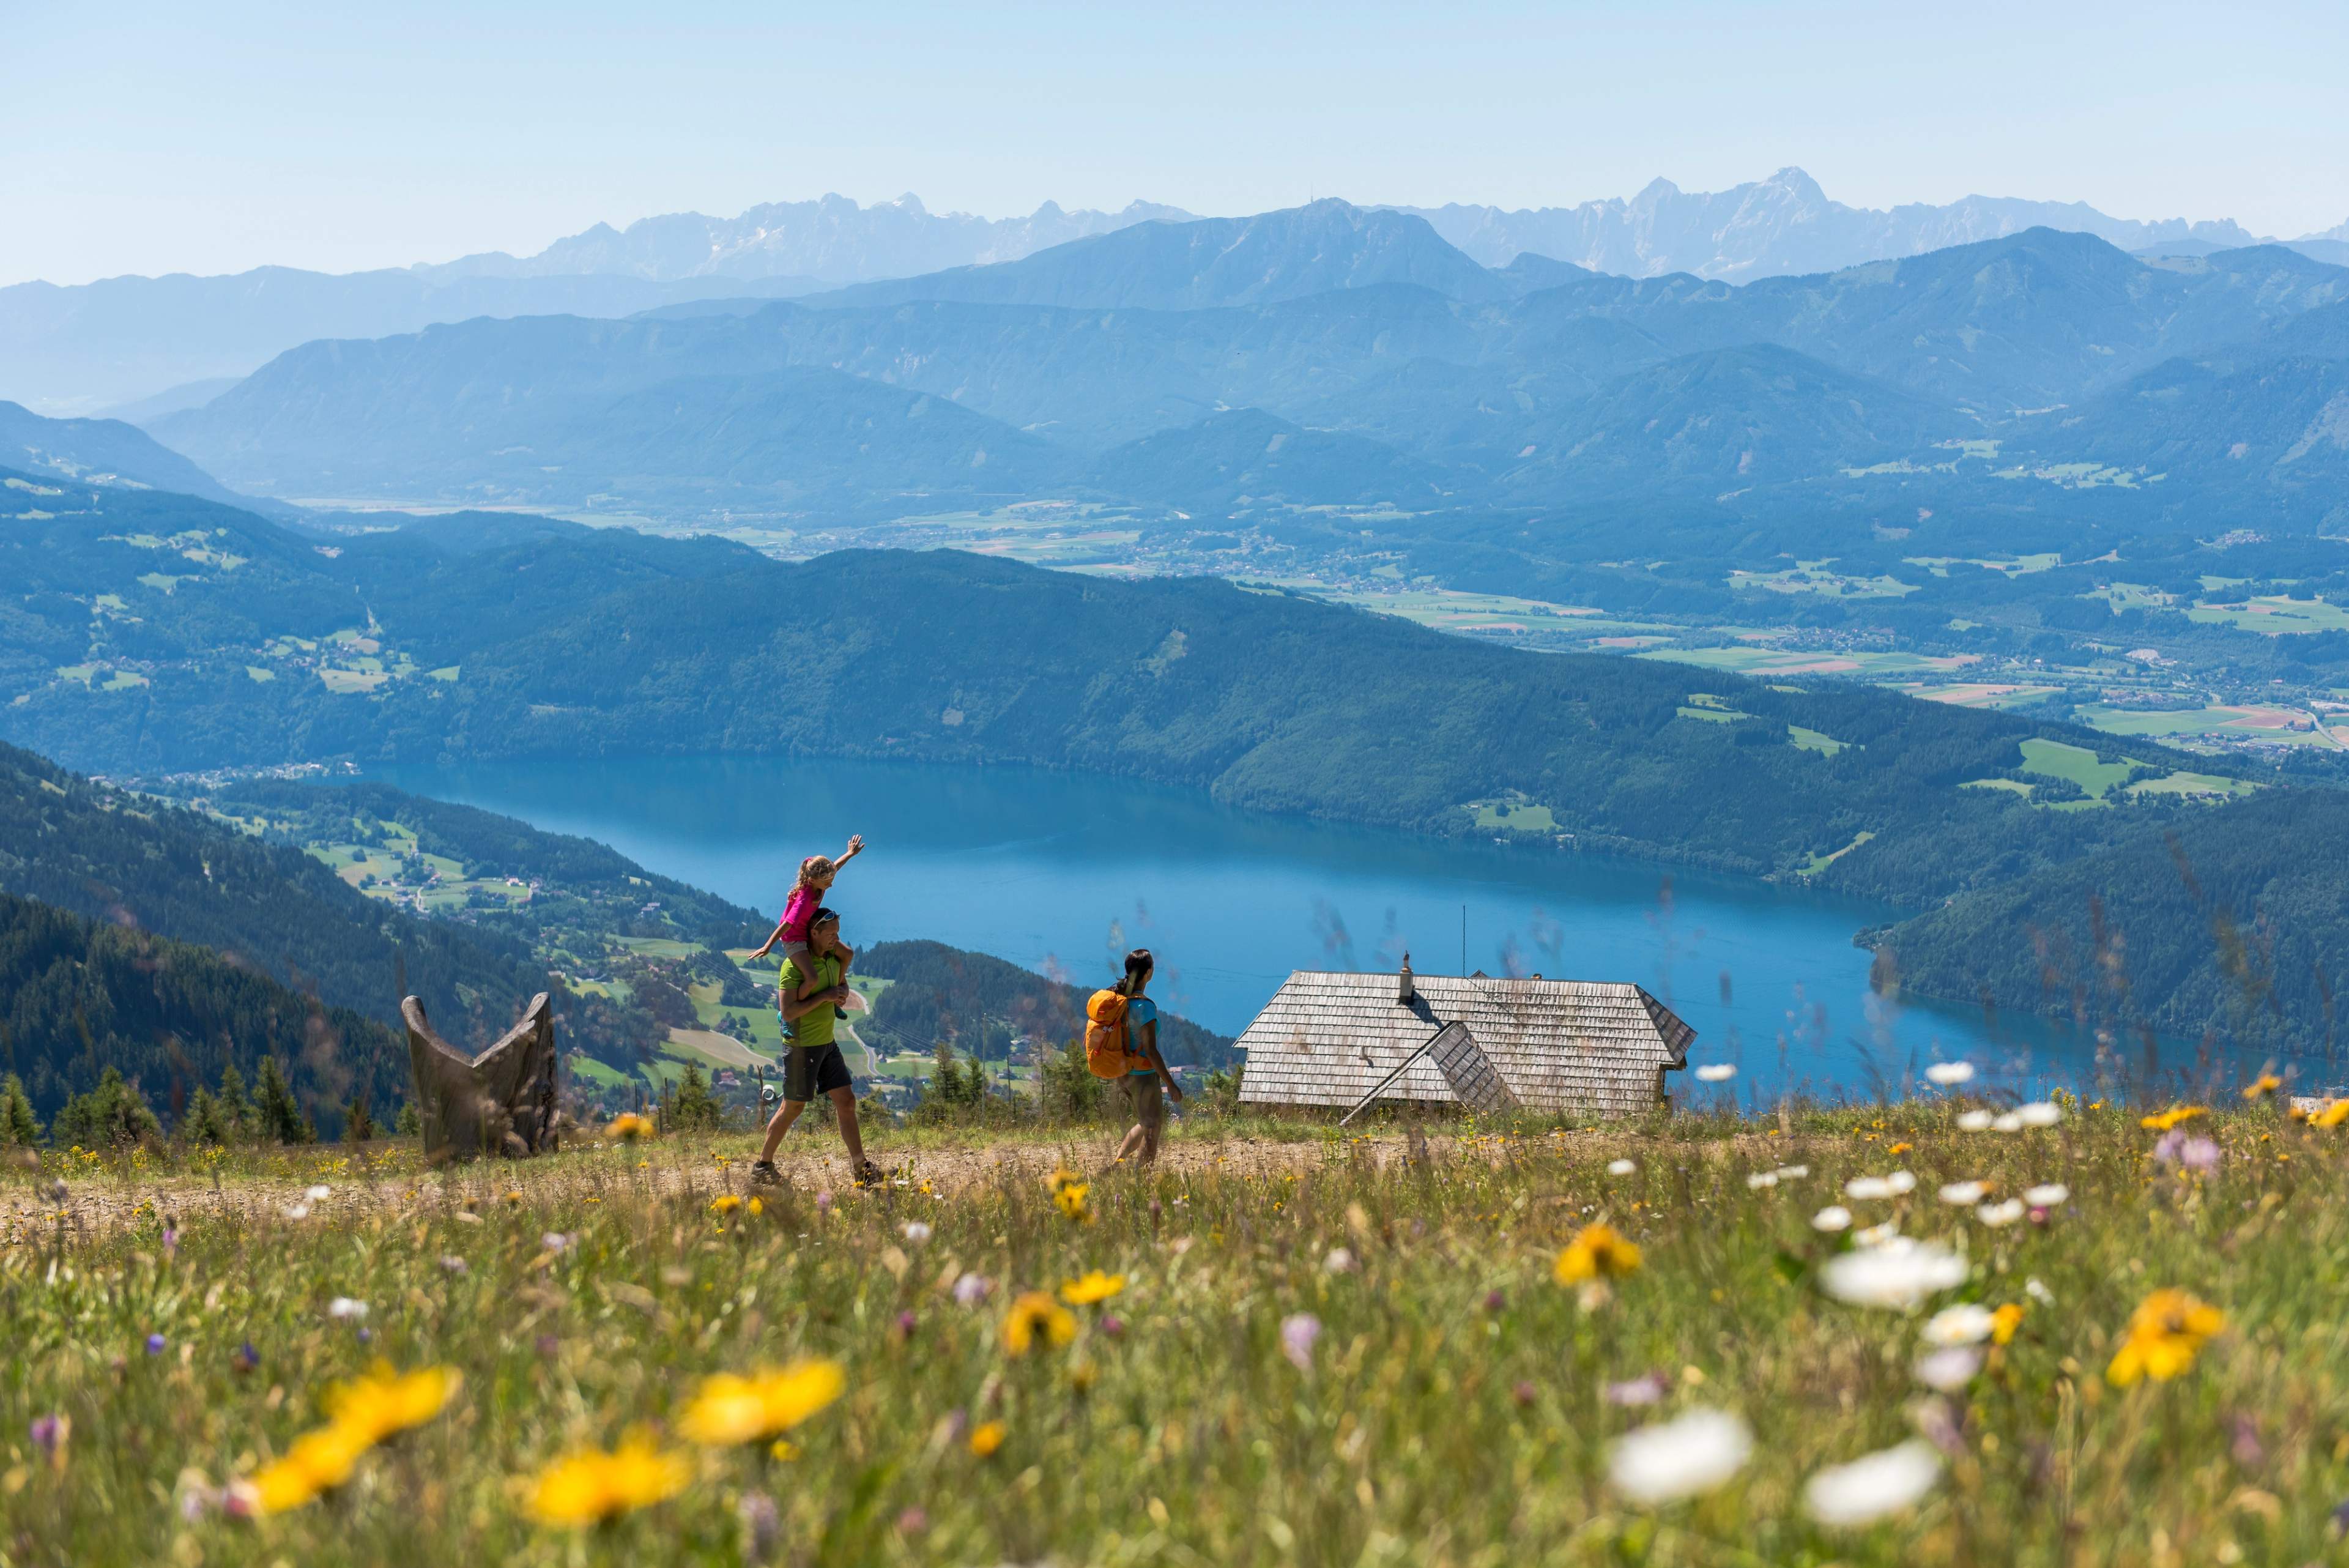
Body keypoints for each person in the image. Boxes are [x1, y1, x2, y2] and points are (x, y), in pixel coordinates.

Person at [750, 908, 881, 1188]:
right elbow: (788, 1012)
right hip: (802, 1048)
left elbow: (839, 986)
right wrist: (825, 996)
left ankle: (861, 1169)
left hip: (826, 1043)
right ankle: (762, 1166)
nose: (836, 938)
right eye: (831, 933)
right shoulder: (794, 967)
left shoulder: (833, 960)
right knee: (793, 1108)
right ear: (814, 933)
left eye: (838, 933)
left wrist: (841, 992)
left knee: (846, 1102)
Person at [750, 834, 864, 1036]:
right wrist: (768, 946)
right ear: (813, 880)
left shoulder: (819, 882)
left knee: (847, 954)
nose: (831, 883)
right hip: (794, 939)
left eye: (831, 878)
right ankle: (787, 1016)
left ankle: (837, 993)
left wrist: (849, 854)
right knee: (811, 979)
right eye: (828, 881)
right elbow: (786, 924)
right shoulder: (804, 898)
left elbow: (835, 866)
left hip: (808, 932)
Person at [1109, 948, 1184, 1166]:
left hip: (1123, 1073)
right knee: (1153, 1127)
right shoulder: (1145, 1006)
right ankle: (1142, 1178)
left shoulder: (1120, 1000)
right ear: (1149, 972)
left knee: (1145, 1122)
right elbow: (1151, 1050)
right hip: (1143, 1076)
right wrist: (1171, 1084)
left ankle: (1118, 1163)